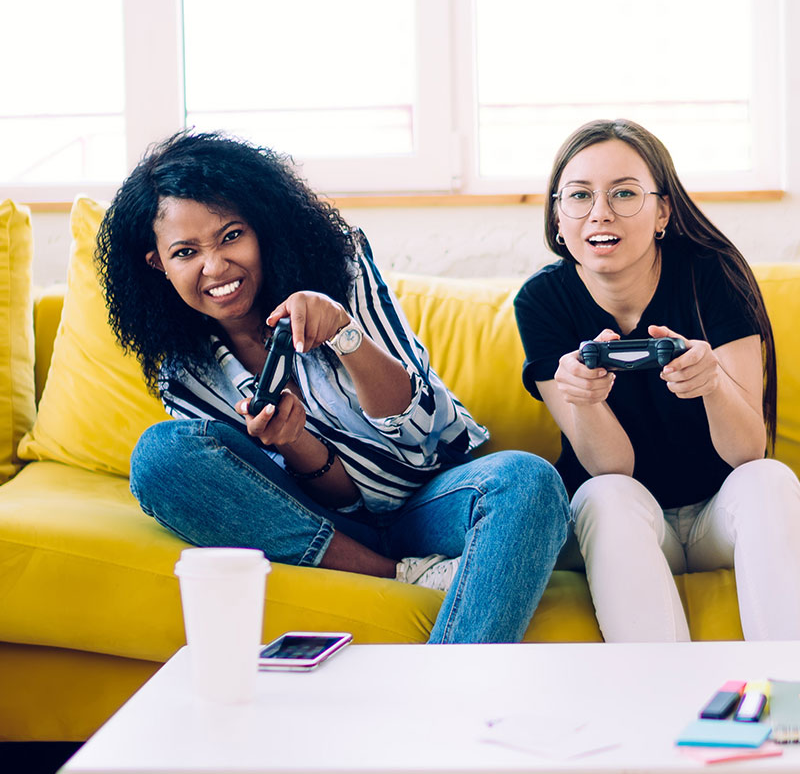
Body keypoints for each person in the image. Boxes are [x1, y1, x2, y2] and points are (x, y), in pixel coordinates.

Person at [95, 130, 569, 644]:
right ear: (158, 265)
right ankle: (399, 575)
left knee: (528, 480)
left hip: (432, 499)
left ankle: (442, 699)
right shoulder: (184, 372)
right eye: (187, 252)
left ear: (263, 227)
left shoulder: (339, 270)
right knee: (159, 458)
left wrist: (347, 336)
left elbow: (422, 430)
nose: (215, 267)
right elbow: (295, 505)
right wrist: (293, 442)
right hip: (330, 532)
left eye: (231, 235)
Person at [514, 118, 800, 643]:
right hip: (629, 516)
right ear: (558, 217)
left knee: (771, 481)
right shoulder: (541, 302)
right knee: (605, 496)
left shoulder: (712, 274)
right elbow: (612, 468)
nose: (600, 211)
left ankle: (789, 704)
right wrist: (587, 401)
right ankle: (656, 707)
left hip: (720, 510)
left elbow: (748, 453)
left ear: (663, 210)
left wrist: (712, 383)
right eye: (579, 195)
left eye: (625, 193)